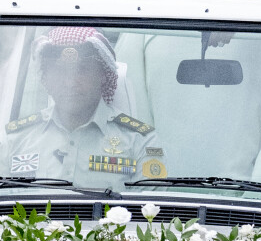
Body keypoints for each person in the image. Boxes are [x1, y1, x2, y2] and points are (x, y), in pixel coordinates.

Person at [0, 28, 166, 191]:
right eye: (60, 71)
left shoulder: (140, 141)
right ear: (46, 77)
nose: (70, 83)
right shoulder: (15, 139)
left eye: (83, 70)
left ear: (102, 74)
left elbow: (152, 213)